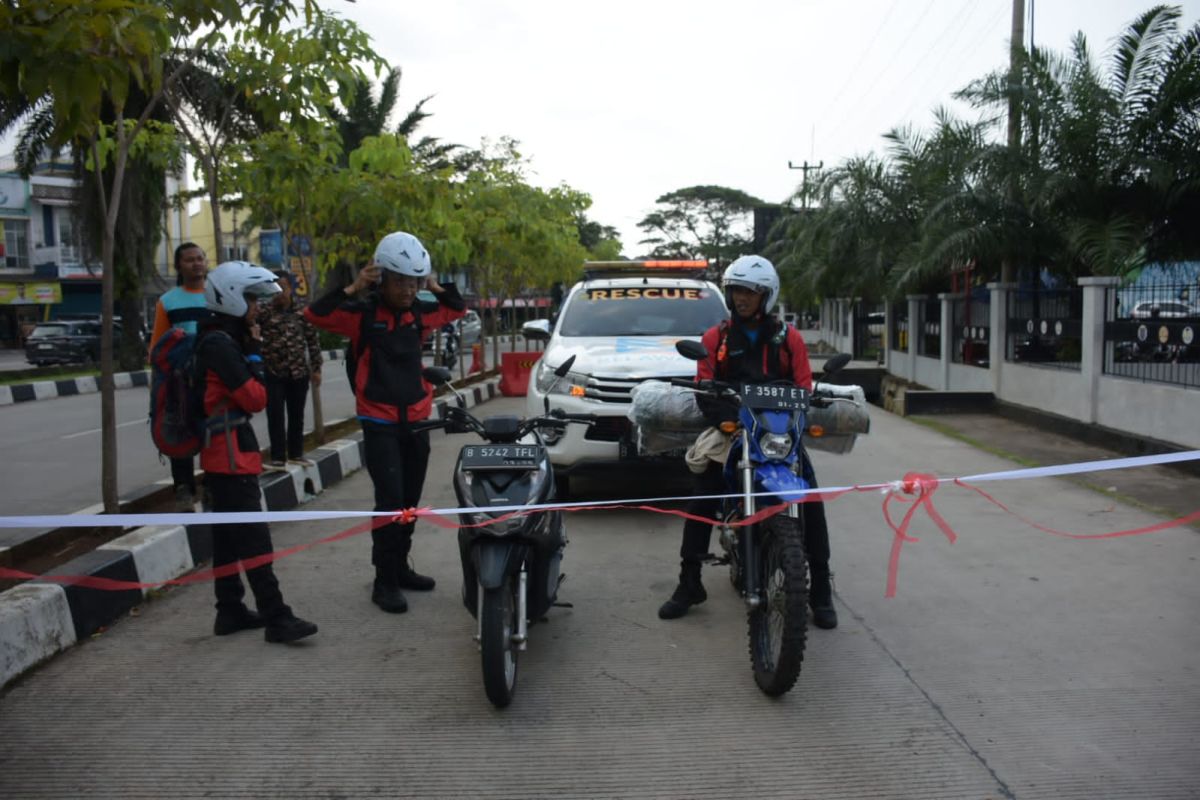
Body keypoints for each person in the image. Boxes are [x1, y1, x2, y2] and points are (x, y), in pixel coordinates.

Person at [657, 255, 838, 629]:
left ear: (766, 296)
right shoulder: (715, 338)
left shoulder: (790, 339)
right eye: (736, 290)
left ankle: (820, 588)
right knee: (703, 494)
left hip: (776, 433)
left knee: (812, 501)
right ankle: (689, 582)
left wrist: (794, 419)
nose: (741, 298)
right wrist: (725, 419)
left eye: (750, 292)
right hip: (731, 430)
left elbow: (803, 388)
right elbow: (705, 387)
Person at [304, 231, 466, 614]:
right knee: (390, 502)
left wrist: (432, 284)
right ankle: (384, 580)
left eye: (413, 282)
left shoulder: (420, 312)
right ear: (383, 278)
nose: (408, 290)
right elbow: (315, 314)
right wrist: (354, 286)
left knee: (409, 502)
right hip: (379, 422)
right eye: (400, 281)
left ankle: (401, 567)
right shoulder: (362, 315)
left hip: (417, 420)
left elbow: (456, 308)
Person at [196, 260, 318, 643]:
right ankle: (276, 616)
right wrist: (254, 353)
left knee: (228, 539)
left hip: (224, 452)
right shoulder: (221, 344)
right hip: (229, 456)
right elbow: (255, 398)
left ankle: (228, 610)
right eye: (251, 299)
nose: (256, 308)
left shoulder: (216, 337)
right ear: (231, 299)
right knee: (254, 539)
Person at [149, 242, 209, 511]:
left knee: (213, 432)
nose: (196, 263)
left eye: (200, 258)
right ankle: (184, 489)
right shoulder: (168, 301)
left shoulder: (218, 295)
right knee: (180, 428)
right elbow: (158, 348)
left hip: (211, 376)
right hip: (179, 381)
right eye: (189, 260)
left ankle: (213, 485)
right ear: (179, 266)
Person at [258, 268, 323, 470]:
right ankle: (278, 456)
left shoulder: (302, 312)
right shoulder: (264, 312)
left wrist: (316, 367)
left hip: (298, 372)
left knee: (297, 415)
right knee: (275, 415)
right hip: (273, 372)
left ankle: (296, 453)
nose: (278, 293)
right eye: (274, 289)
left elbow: (312, 340)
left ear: (290, 289)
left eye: (282, 288)